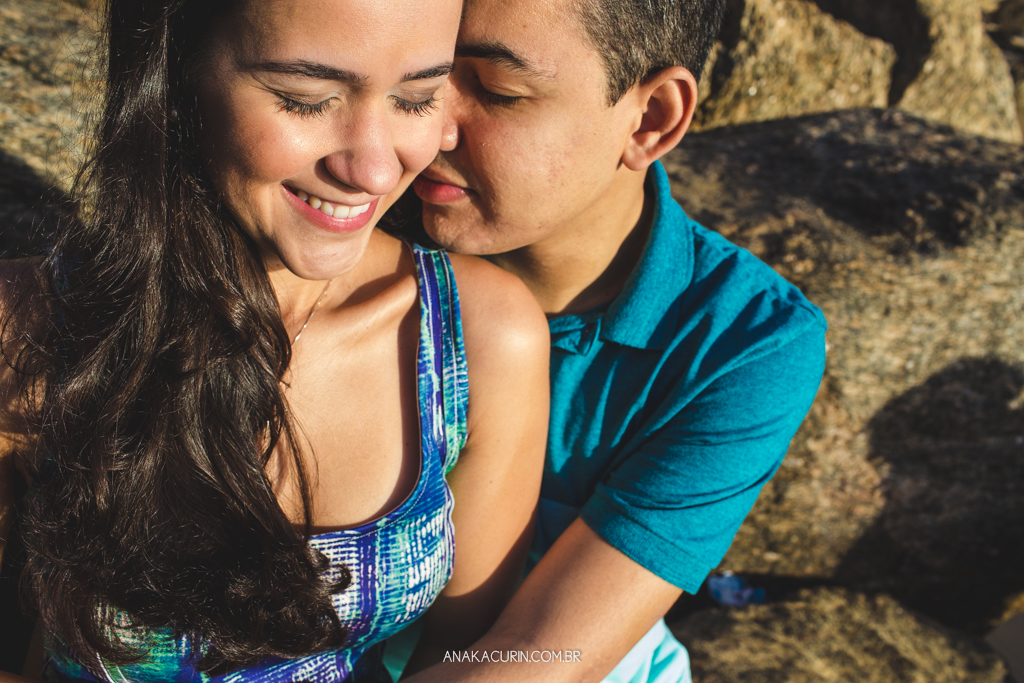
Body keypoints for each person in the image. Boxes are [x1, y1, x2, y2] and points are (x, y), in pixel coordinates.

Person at [0, 0, 550, 680]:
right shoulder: (34, 325)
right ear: (176, 72)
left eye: (416, 99)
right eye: (304, 100)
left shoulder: (481, 338)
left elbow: (470, 657)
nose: (375, 170)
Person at [401, 0, 828, 680]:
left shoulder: (740, 342)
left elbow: (544, 658)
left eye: (497, 90)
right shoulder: (352, 216)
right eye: (418, 76)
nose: (424, 129)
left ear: (652, 117)